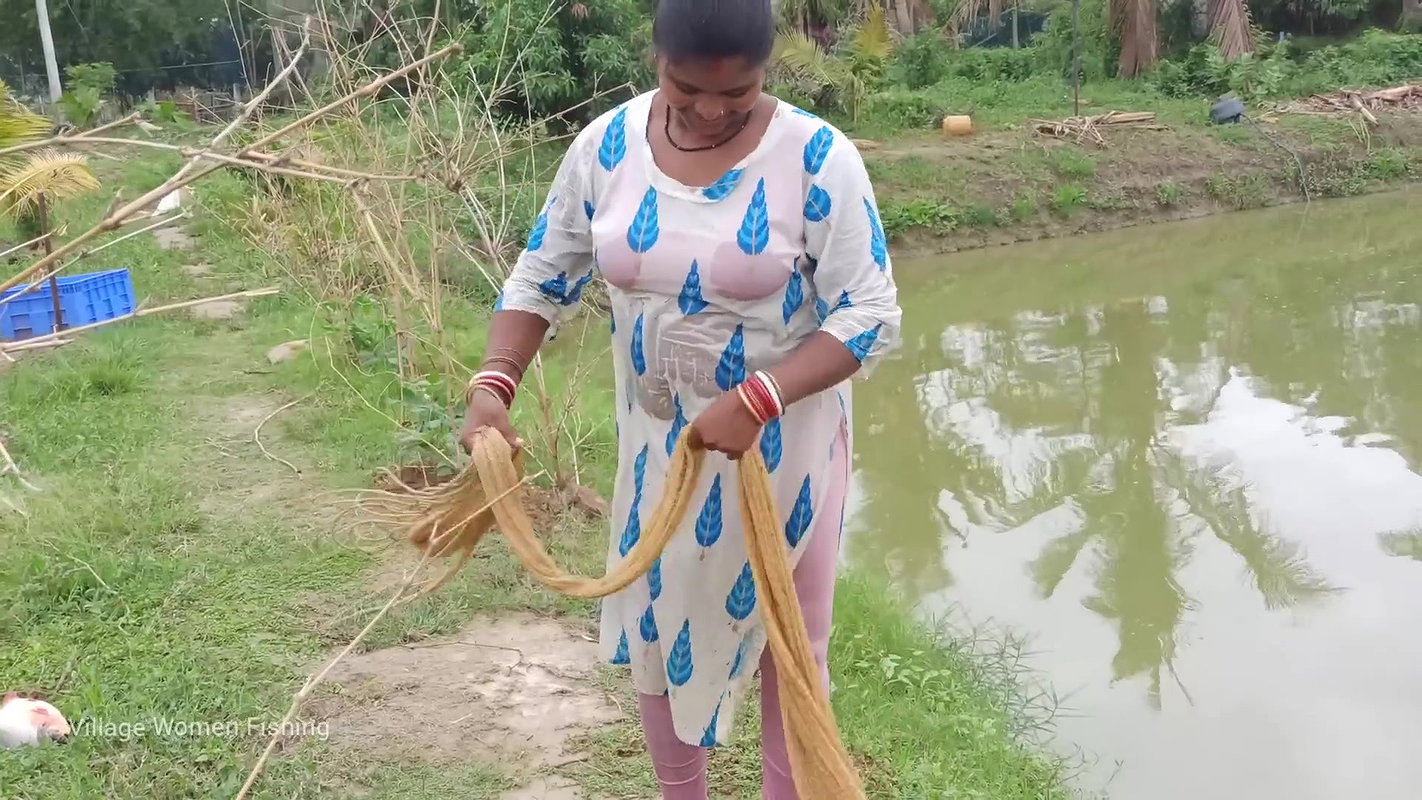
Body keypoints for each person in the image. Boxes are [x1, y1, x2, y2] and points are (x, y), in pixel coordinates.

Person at [459, 0, 902, 796]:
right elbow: (542, 272)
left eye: (737, 98)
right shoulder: (609, 146)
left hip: (785, 456)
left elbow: (869, 314)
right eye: (684, 87)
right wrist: (496, 380)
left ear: (768, 72)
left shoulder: (816, 158)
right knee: (660, 629)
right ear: (655, 56)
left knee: (789, 647)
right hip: (658, 451)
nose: (707, 111)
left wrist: (762, 396)